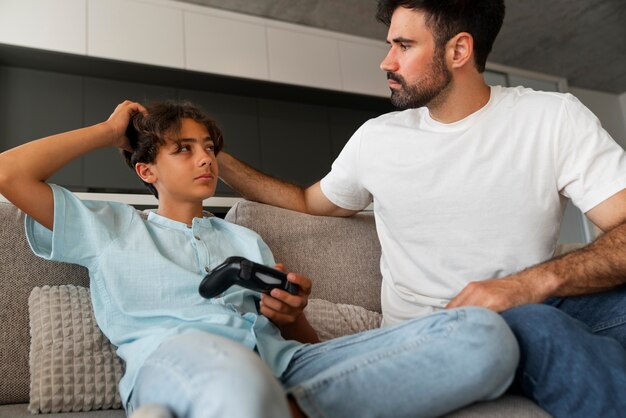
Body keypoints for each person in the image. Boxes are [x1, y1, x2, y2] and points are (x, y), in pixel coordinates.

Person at [215, 1, 626, 417]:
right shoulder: (376, 140)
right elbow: (306, 201)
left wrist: (529, 285)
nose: (386, 61)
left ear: (459, 51)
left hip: (534, 305)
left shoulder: (552, 117)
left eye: (404, 45)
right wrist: (215, 159)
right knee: (541, 328)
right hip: (449, 335)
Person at [0, 100, 518, 418]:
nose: (205, 158)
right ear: (146, 171)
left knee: (481, 335)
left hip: (287, 365)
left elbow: (297, 341)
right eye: (183, 149)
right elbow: (10, 174)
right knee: (237, 380)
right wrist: (112, 132)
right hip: (183, 357)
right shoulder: (109, 228)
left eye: (208, 147)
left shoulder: (243, 240)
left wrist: (293, 319)